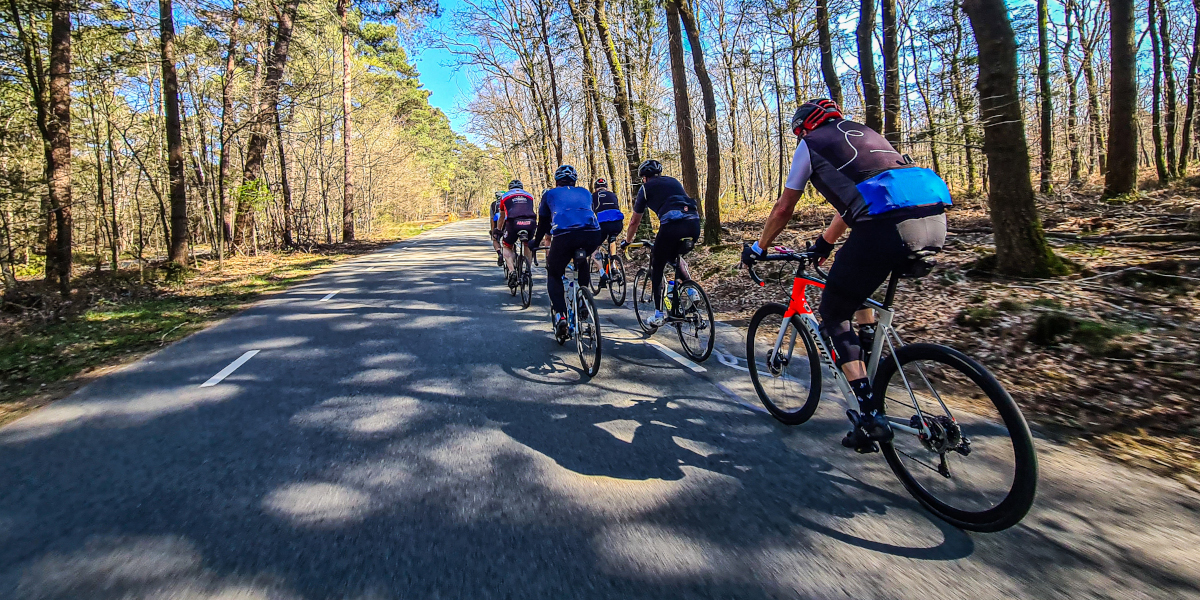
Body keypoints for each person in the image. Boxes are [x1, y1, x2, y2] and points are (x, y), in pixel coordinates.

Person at [740, 99, 951, 453]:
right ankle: (867, 349)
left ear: (803, 128)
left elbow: (784, 207)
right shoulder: (868, 135)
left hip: (886, 228)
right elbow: (855, 203)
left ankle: (869, 416)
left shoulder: (812, 143)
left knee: (834, 312)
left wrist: (759, 247)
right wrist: (825, 242)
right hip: (933, 222)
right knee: (856, 288)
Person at [620, 159, 701, 327]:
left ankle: (658, 314)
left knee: (657, 265)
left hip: (672, 227)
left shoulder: (645, 188)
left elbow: (634, 221)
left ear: (644, 177)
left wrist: (627, 241)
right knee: (673, 255)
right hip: (694, 225)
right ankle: (691, 290)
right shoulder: (674, 181)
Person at [533, 165, 603, 341]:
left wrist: (535, 242)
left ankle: (561, 316)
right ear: (574, 181)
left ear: (557, 181)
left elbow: (543, 223)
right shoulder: (585, 192)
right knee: (582, 260)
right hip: (592, 234)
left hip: (565, 235)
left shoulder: (549, 194)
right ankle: (583, 301)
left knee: (554, 274)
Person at [498, 179, 538, 286]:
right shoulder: (530, 196)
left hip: (513, 223)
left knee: (506, 246)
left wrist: (498, 229)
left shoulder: (505, 196)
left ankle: (512, 271)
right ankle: (528, 271)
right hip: (530, 222)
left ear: (510, 188)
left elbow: (502, 215)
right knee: (527, 244)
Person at [590, 178, 624, 288]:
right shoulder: (613, 195)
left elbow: (590, 213)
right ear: (606, 187)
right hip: (618, 223)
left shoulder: (593, 196)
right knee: (612, 240)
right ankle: (613, 265)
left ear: (595, 188)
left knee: (594, 249)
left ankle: (602, 273)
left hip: (603, 224)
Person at [489, 192, 504, 266]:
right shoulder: (508, 202)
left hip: (497, 224)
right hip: (507, 224)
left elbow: (492, 219)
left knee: (495, 240)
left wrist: (492, 231)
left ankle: (499, 253)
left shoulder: (493, 204)